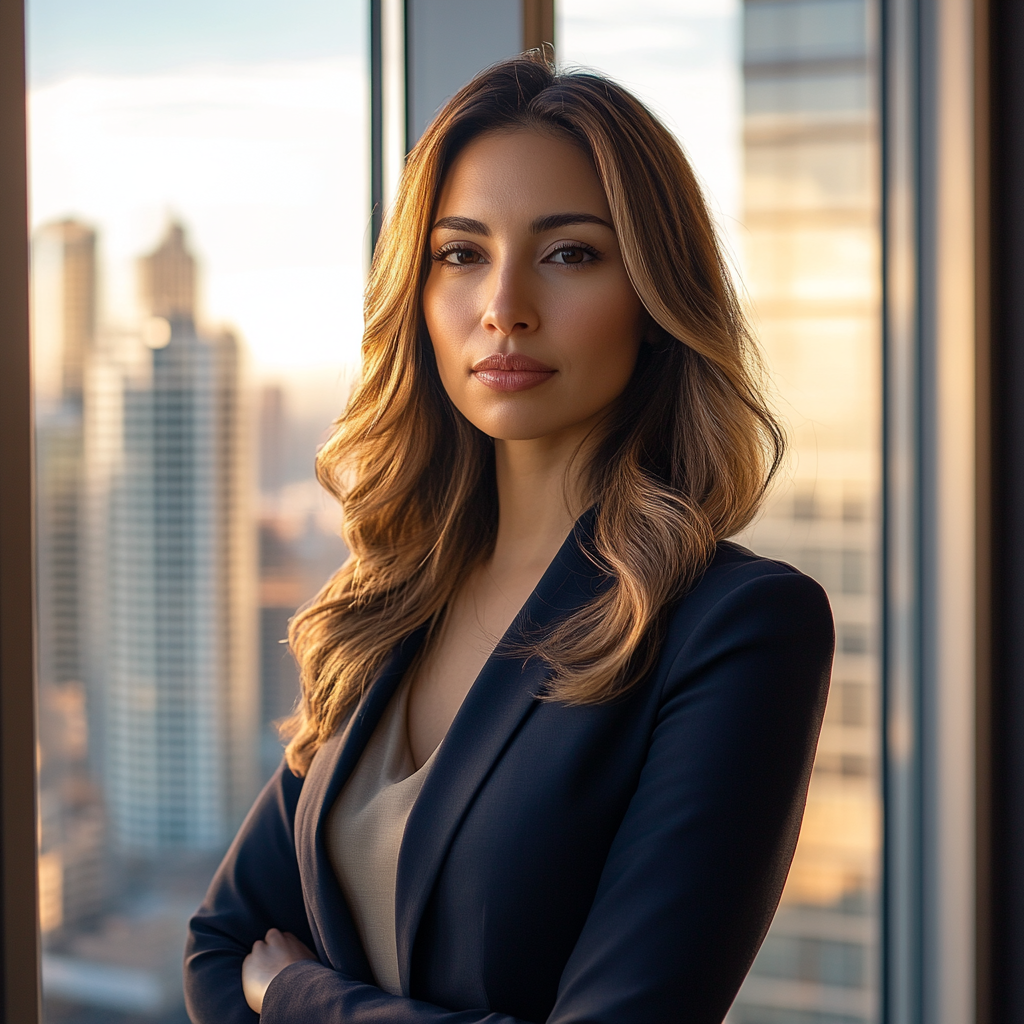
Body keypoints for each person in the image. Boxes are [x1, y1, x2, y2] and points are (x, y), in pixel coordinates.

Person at [184, 53, 834, 1024]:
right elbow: (215, 949)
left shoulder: (736, 629)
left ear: (654, 299)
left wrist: (300, 994)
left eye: (569, 252)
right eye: (460, 253)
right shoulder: (387, 602)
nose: (504, 307)